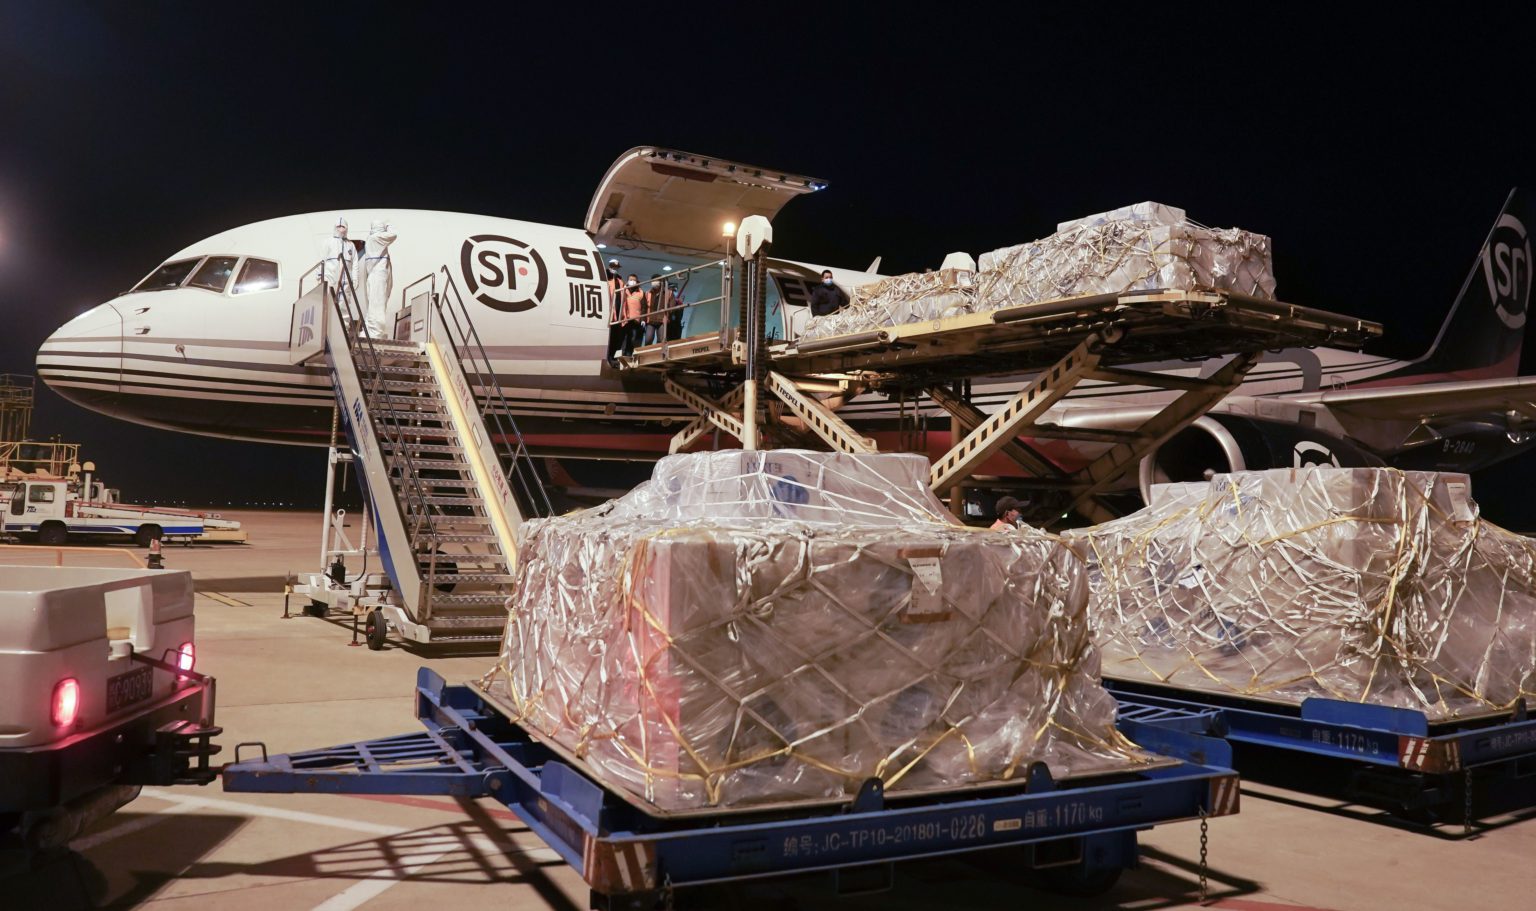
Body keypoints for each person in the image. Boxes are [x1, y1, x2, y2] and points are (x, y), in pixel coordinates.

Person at [357, 219, 397, 338]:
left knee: (374, 304)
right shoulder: (376, 237)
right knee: (378, 304)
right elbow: (393, 234)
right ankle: (376, 331)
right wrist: (389, 225)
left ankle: (370, 329)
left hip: (374, 275)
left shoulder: (371, 238)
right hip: (379, 275)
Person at [317, 216, 357, 297]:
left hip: (346, 283)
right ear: (335, 227)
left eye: (343, 226)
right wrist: (319, 276)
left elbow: (355, 263)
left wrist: (355, 278)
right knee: (330, 302)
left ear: (346, 228)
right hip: (330, 281)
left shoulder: (350, 245)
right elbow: (321, 260)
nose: (341, 229)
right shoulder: (328, 242)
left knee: (344, 303)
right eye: (338, 226)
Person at [620, 274, 648, 357]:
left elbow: (644, 307)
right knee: (623, 338)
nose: (632, 281)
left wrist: (643, 319)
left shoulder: (641, 292)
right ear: (628, 281)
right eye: (630, 280)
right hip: (625, 319)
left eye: (634, 280)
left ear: (637, 281)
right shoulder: (623, 290)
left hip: (636, 320)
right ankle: (622, 354)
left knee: (633, 338)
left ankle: (629, 354)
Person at [604, 258, 625, 366]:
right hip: (609, 313)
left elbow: (624, 297)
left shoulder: (620, 280)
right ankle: (607, 357)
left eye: (616, 267)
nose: (615, 269)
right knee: (608, 336)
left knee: (616, 338)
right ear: (609, 267)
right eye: (613, 267)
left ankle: (612, 357)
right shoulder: (605, 278)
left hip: (618, 313)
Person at [643, 274, 670, 346]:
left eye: (656, 280)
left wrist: (667, 313)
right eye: (653, 281)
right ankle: (647, 352)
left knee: (661, 340)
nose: (654, 282)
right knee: (648, 339)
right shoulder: (647, 293)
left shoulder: (668, 293)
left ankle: (659, 352)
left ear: (661, 282)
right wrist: (643, 319)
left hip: (662, 320)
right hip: (650, 320)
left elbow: (672, 306)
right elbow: (644, 307)